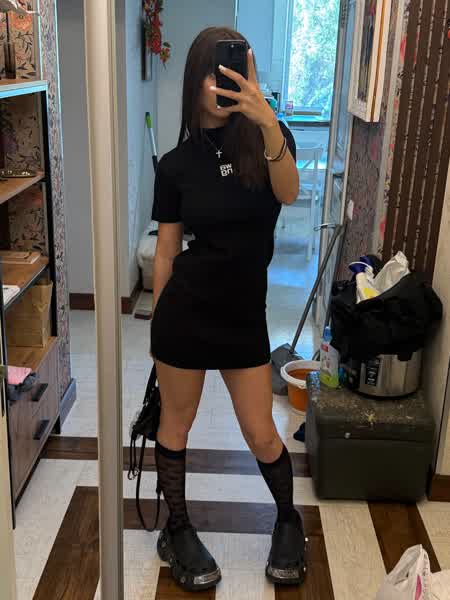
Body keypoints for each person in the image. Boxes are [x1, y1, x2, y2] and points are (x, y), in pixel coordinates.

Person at [151, 26, 305, 593]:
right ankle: (178, 529)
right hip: (186, 314)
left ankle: (288, 521)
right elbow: (167, 250)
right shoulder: (175, 165)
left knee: (262, 433)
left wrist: (268, 121)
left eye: (235, 72)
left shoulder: (268, 141)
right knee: (176, 424)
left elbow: (288, 192)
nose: (223, 85)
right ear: (195, 81)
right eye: (213, 75)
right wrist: (158, 329)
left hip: (243, 316)